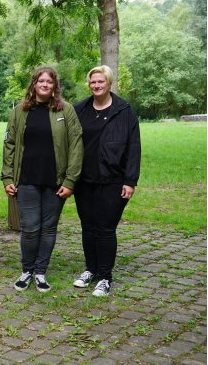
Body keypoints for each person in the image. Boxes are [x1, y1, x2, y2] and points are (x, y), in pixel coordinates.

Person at [2, 66, 82, 293]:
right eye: (41, 81)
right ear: (34, 84)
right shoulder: (20, 110)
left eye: (49, 81)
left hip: (55, 181)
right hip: (26, 179)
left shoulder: (66, 110)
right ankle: (27, 271)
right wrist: (7, 176)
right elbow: (9, 145)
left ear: (55, 85)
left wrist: (70, 181)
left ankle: (40, 272)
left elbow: (76, 146)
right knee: (29, 228)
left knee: (48, 228)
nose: (45, 85)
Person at [71, 65, 141, 297]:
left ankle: (105, 277)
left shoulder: (124, 111)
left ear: (109, 83)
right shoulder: (80, 109)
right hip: (84, 180)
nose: (96, 85)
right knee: (87, 226)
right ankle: (90, 269)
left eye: (100, 81)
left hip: (113, 180)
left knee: (105, 228)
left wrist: (130, 181)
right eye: (93, 82)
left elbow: (134, 147)